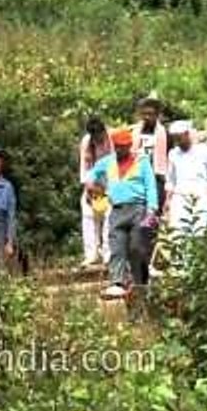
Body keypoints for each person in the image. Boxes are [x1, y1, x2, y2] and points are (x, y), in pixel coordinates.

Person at [86, 128, 159, 298]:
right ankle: (117, 282)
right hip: (117, 209)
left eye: (123, 146)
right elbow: (92, 175)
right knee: (116, 247)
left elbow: (150, 186)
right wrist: (92, 186)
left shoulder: (142, 161)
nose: (120, 150)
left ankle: (141, 282)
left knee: (136, 247)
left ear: (129, 146)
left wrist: (152, 210)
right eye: (117, 146)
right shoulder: (107, 162)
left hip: (138, 209)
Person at [163, 120, 207, 238]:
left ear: (187, 134)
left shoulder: (204, 150)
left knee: (197, 233)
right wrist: (167, 200)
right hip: (179, 197)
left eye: (179, 138)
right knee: (177, 234)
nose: (177, 142)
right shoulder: (173, 154)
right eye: (175, 139)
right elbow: (171, 179)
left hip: (200, 196)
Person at [79, 117, 113, 267]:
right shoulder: (86, 142)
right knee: (88, 213)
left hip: (111, 181)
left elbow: (117, 163)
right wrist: (87, 187)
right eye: (94, 135)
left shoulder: (112, 138)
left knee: (109, 216)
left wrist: (110, 189)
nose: (98, 138)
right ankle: (91, 254)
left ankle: (108, 253)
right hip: (92, 181)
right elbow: (85, 166)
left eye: (99, 134)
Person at [131, 97, 169, 216]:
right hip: (137, 176)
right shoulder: (134, 131)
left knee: (154, 213)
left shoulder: (164, 133)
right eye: (144, 114)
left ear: (157, 115)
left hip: (156, 177)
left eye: (150, 114)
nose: (147, 117)